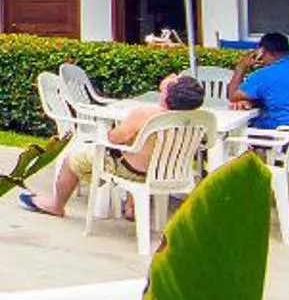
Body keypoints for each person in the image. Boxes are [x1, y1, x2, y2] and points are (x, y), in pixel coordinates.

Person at [21, 72, 206, 217]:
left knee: (72, 159)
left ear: (167, 93)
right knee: (139, 147)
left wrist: (114, 130)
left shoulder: (146, 113)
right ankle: (131, 209)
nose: (172, 77)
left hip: (133, 172)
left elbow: (114, 139)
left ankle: (56, 205)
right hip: (170, 173)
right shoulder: (199, 119)